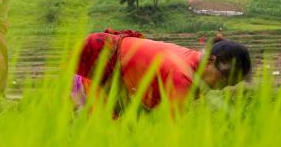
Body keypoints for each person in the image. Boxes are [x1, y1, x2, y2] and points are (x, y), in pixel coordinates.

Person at [72, 29, 251, 115]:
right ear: (211, 61)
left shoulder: (196, 67)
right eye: (224, 78)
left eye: (230, 84)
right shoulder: (182, 77)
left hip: (121, 65)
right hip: (101, 54)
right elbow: (171, 132)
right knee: (99, 119)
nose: (222, 87)